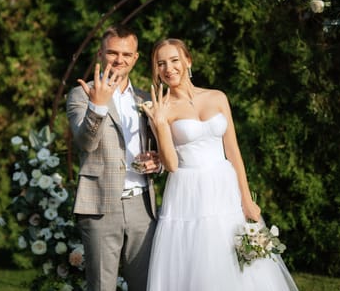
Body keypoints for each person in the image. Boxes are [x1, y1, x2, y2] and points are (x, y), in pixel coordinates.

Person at [142, 38, 299, 290]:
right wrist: (159, 124)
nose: (168, 68)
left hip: (224, 186)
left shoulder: (217, 97)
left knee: (240, 263)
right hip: (188, 191)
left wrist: (246, 200)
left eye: (174, 60)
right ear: (156, 70)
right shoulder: (161, 109)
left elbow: (233, 150)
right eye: (161, 63)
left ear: (188, 61)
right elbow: (170, 164)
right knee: (200, 260)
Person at [66, 24, 161, 291]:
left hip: (143, 206)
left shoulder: (144, 97)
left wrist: (159, 163)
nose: (119, 60)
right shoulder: (80, 94)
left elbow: (161, 150)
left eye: (126, 54)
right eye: (112, 53)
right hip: (100, 205)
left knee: (145, 285)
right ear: (100, 54)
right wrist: (97, 106)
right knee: (101, 286)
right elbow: (85, 142)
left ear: (136, 58)